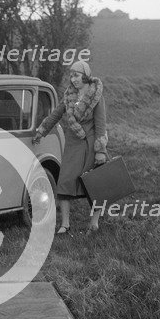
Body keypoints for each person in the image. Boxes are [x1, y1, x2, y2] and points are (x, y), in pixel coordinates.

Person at [34, 61, 109, 235]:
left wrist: (100, 151)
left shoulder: (97, 96)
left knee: (95, 184)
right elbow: (56, 114)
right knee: (65, 182)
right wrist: (42, 130)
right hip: (73, 144)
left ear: (85, 75)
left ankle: (94, 224)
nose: (73, 79)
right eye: (71, 75)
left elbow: (100, 124)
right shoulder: (69, 95)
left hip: (90, 145)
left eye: (76, 75)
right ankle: (65, 225)